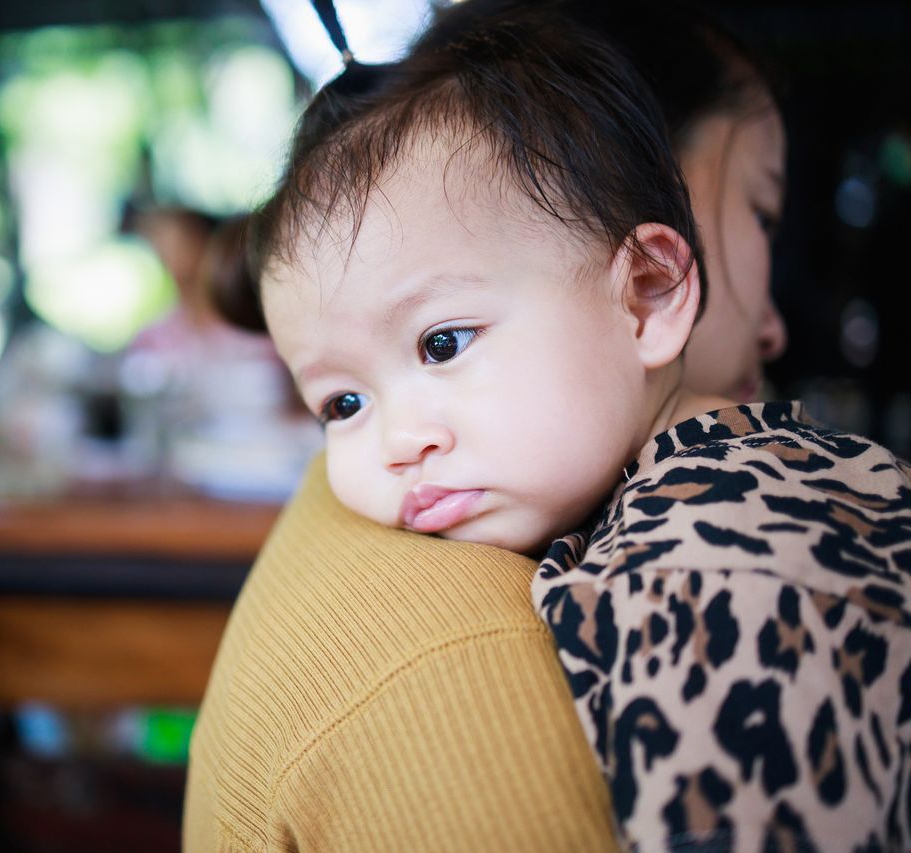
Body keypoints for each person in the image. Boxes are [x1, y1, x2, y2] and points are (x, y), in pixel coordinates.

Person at [185, 3, 901, 851]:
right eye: (342, 405)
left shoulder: (735, 556)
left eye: (442, 344)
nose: (395, 442)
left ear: (647, 292)